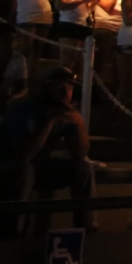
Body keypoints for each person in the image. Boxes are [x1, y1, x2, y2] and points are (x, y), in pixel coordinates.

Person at [0, 67, 96, 235]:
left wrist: (77, 122)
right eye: (62, 86)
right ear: (47, 87)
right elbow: (24, 154)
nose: (66, 92)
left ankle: (87, 228)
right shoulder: (25, 109)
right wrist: (49, 122)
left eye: (70, 88)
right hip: (9, 166)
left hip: (38, 166)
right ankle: (13, 234)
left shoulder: (63, 112)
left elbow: (80, 154)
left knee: (83, 168)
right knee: (25, 169)